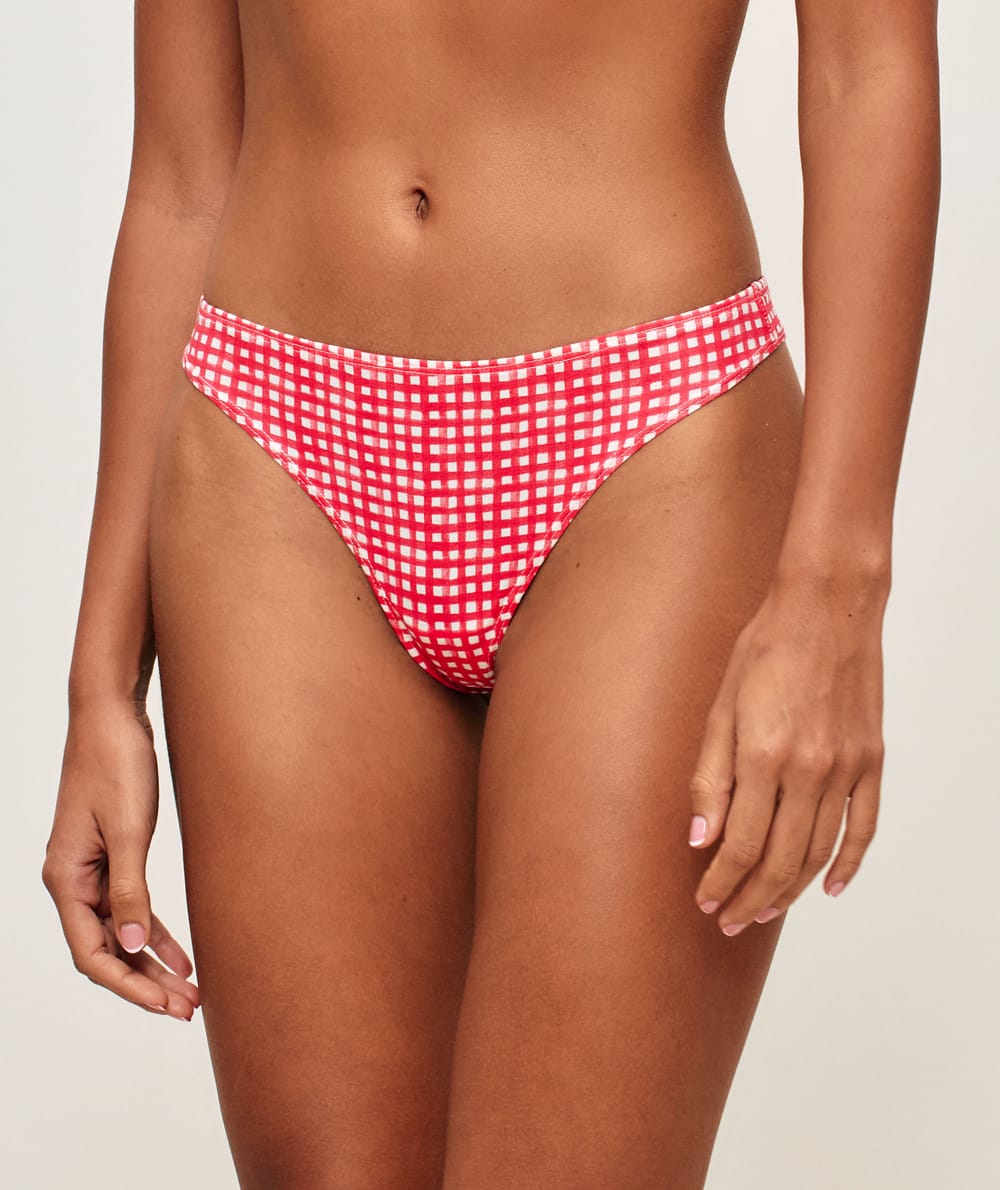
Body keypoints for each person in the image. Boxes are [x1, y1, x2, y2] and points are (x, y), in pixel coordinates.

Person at [41, 1, 940, 1186]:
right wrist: (102, 681)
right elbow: (180, 177)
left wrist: (836, 593)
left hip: (648, 433)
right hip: (276, 448)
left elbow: (866, 69)